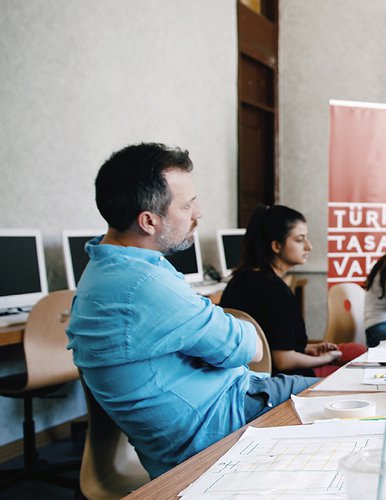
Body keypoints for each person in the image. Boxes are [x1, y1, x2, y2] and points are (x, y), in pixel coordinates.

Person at [67, 143, 319, 478]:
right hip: (219, 428)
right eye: (187, 205)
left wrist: (206, 340)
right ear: (148, 221)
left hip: (222, 409)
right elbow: (250, 346)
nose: (198, 212)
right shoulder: (143, 284)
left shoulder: (107, 266)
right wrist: (210, 343)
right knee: (350, 398)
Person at [218, 205, 365, 377]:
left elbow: (272, 341)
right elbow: (284, 361)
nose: (308, 246)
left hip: (246, 371)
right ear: (276, 246)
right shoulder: (275, 290)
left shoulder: (240, 280)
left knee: (355, 350)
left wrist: (308, 349)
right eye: (300, 239)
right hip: (278, 376)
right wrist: (325, 358)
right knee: (358, 367)